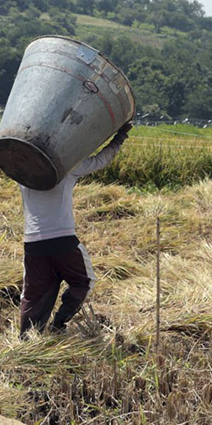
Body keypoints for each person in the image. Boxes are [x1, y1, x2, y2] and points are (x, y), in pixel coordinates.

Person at [19, 123, 131, 337]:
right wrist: (119, 138)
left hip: (32, 244)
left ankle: (26, 339)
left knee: (33, 294)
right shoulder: (67, 167)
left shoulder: (23, 175)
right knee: (84, 281)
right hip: (63, 241)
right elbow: (100, 160)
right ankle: (58, 324)